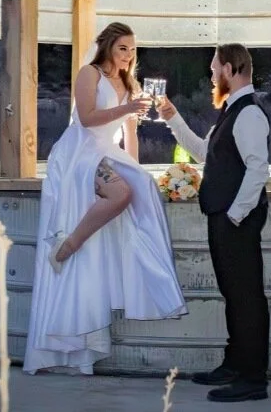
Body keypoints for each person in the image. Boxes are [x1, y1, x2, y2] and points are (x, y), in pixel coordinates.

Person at [24, 22, 187, 375]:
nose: (128, 56)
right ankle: (66, 247)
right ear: (108, 49)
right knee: (120, 192)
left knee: (138, 185)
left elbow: (130, 137)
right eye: (122, 49)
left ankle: (145, 275)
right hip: (79, 153)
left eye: (132, 49)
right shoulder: (90, 74)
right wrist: (127, 110)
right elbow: (86, 118)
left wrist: (138, 169)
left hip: (108, 153)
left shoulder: (131, 85)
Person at [157, 43, 271, 403]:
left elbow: (258, 170)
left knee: (247, 298)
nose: (210, 75)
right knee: (234, 296)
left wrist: (235, 215)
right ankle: (235, 365)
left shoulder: (249, 114)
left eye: (213, 69)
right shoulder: (230, 111)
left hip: (235, 220)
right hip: (224, 218)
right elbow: (205, 153)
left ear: (230, 69)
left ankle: (252, 379)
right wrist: (173, 117)